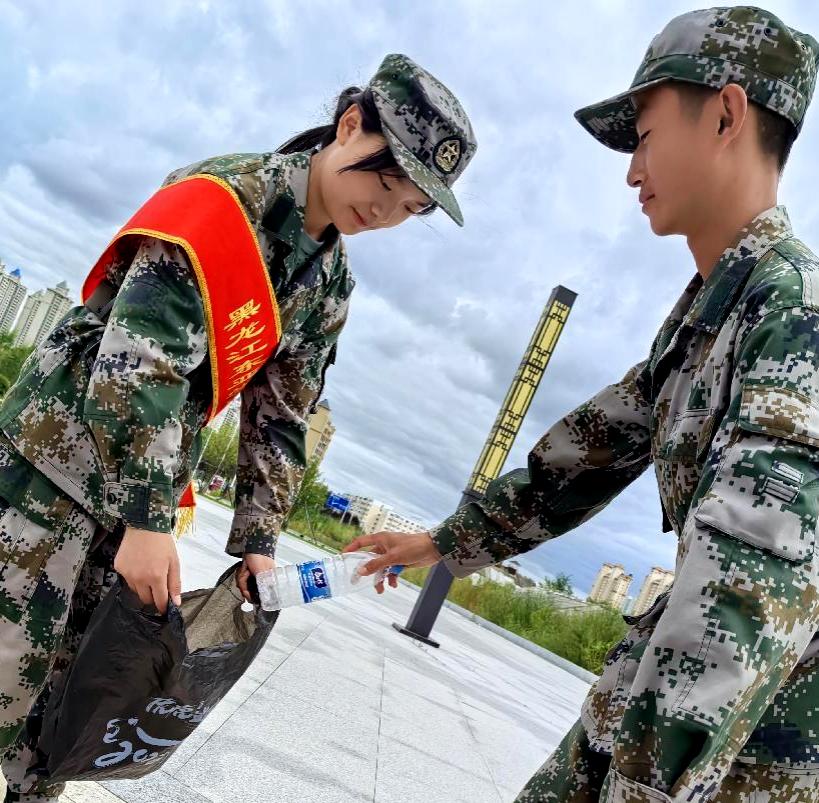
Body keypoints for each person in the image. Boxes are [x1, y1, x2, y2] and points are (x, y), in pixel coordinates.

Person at [346, 8, 819, 801]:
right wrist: (441, 541)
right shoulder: (709, 316)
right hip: (660, 728)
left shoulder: (794, 314)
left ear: (725, 116)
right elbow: (583, 456)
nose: (632, 172)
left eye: (643, 136)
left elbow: (744, 592)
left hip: (739, 761)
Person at [0, 53, 477, 802]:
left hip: (132, 504)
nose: (386, 213)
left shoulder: (328, 285)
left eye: (410, 207)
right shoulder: (223, 201)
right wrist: (149, 520)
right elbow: (139, 365)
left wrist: (258, 543)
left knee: (69, 716)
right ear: (349, 125)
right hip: (52, 471)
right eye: (386, 182)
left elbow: (282, 421)